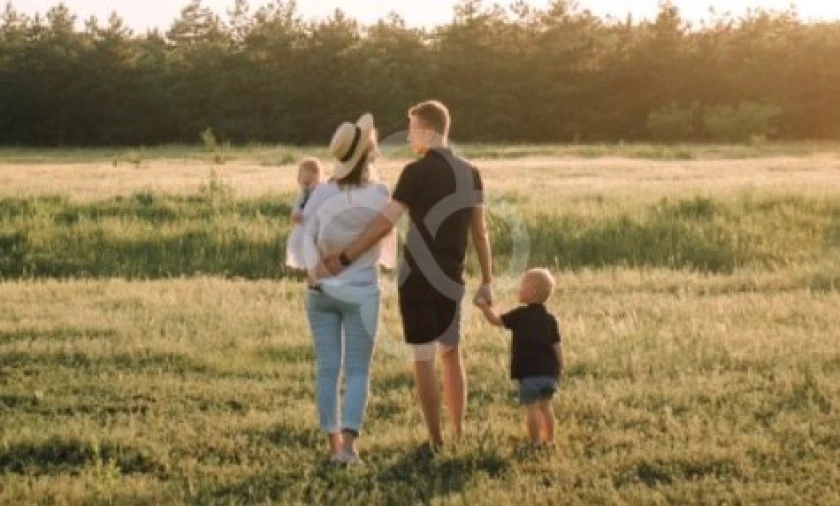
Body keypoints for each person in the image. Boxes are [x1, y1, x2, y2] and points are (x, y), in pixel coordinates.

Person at [319, 100, 494, 448]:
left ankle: (436, 440)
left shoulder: (415, 173)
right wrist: (487, 280)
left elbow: (386, 222)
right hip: (451, 276)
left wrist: (346, 255)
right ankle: (458, 433)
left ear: (429, 130)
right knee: (451, 353)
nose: (410, 134)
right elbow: (480, 232)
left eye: (413, 127)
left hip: (416, 279)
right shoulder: (471, 172)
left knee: (424, 358)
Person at [302, 113, 396, 465]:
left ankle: (332, 446)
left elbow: (302, 243)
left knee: (327, 368)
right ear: (369, 153)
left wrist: (315, 271)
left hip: (322, 292)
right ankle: (349, 448)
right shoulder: (380, 193)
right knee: (358, 370)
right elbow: (386, 243)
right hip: (362, 291)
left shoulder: (321, 194)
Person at [474, 268, 565, 448]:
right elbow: (557, 346)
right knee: (546, 407)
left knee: (531, 408)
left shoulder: (520, 315)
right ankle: (550, 440)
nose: (518, 289)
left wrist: (484, 306)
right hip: (549, 373)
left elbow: (496, 321)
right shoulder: (550, 319)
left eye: (522, 286)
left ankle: (534, 442)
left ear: (530, 293)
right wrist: (560, 369)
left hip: (529, 373)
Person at [285, 157, 324, 270]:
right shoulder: (302, 194)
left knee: (317, 254)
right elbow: (297, 207)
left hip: (317, 230)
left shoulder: (321, 193)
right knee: (305, 253)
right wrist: (295, 214)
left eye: (309, 183)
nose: (306, 186)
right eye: (304, 183)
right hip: (304, 229)